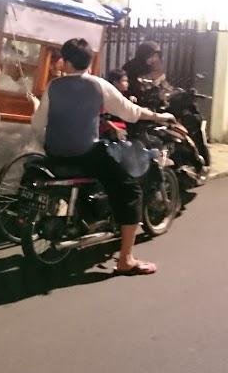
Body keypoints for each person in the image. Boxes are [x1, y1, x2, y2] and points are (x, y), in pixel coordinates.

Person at [31, 37, 175, 276]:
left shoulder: (53, 87)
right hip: (86, 154)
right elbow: (131, 113)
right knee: (130, 190)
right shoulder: (98, 85)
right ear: (90, 61)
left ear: (65, 62)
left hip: (55, 154)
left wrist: (47, 145)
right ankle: (126, 259)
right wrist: (160, 117)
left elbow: (37, 124)